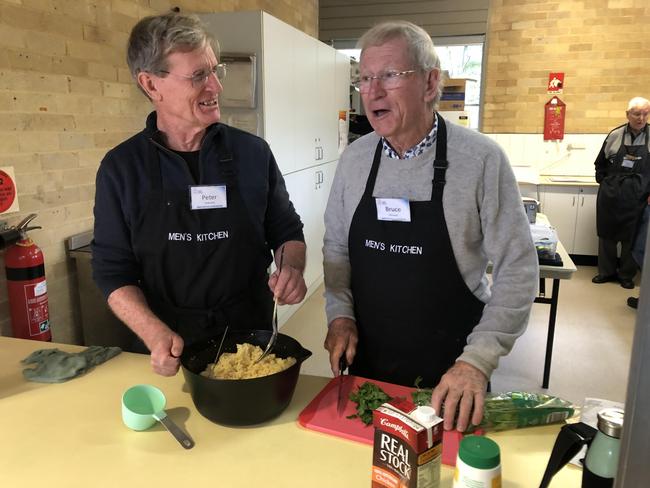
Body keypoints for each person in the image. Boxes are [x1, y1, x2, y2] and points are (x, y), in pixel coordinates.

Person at [322, 21, 538, 432]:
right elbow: (337, 249)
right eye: (365, 78)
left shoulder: (480, 160)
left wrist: (478, 361)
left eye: (389, 75)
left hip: (452, 377)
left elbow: (518, 268)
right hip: (368, 366)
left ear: (429, 81)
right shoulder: (355, 160)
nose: (373, 91)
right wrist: (339, 316)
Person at [92, 12, 307, 376]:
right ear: (151, 85)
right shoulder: (121, 169)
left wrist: (291, 268)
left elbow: (286, 231)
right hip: (167, 343)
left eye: (214, 71)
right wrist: (152, 332)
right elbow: (112, 271)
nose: (216, 88)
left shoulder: (252, 154)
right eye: (198, 76)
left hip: (250, 340)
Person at [593, 97, 650, 289]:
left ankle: (626, 275)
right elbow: (599, 163)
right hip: (611, 194)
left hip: (638, 196)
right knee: (606, 235)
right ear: (628, 115)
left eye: (645, 113)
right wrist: (605, 182)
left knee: (631, 237)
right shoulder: (615, 135)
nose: (641, 118)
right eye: (636, 114)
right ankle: (606, 272)